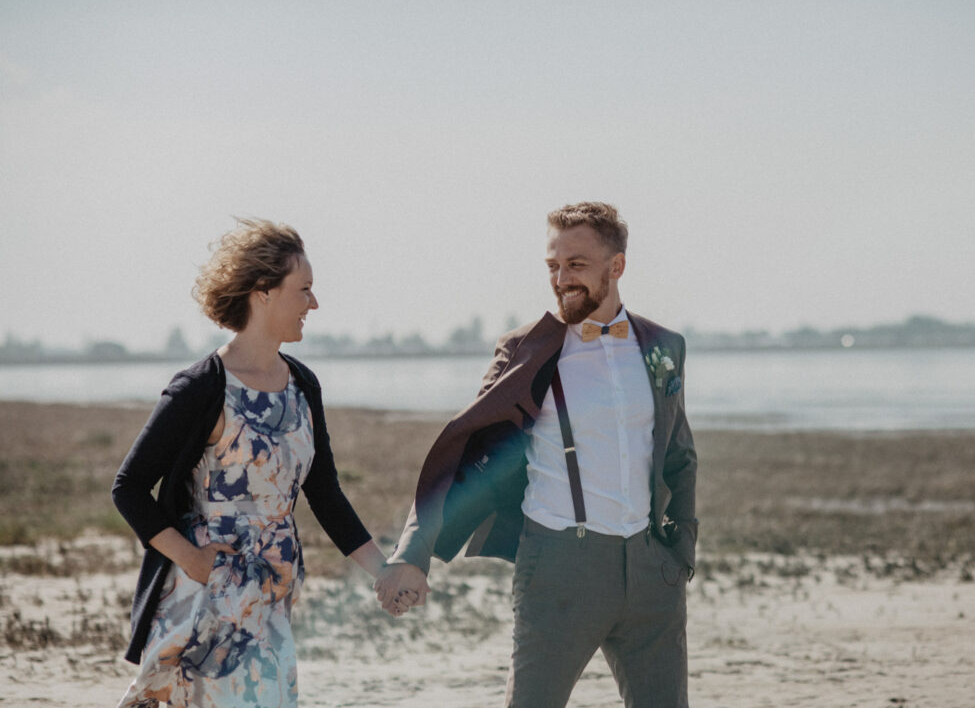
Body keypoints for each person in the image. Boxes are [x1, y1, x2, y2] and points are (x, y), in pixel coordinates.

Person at [375, 202, 697, 707]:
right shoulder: (527, 349)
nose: (561, 278)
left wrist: (680, 552)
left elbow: (680, 455)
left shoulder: (662, 346)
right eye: (553, 265)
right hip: (560, 570)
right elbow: (461, 452)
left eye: (576, 264)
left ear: (617, 267)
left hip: (651, 570)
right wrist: (413, 554)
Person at [112, 219, 410, 707]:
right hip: (205, 600)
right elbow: (128, 487)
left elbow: (325, 493)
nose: (314, 304)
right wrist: (191, 560)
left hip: (274, 595)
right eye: (305, 290)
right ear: (262, 292)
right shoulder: (201, 387)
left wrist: (384, 571)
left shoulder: (303, 385)